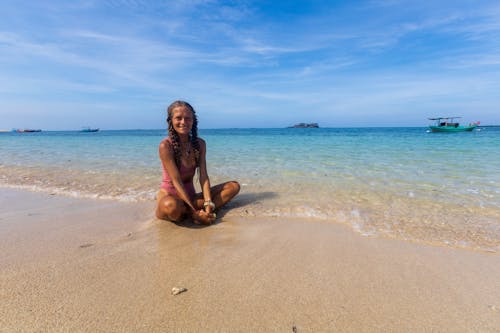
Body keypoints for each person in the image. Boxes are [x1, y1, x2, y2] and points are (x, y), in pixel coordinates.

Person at [156, 100, 240, 225]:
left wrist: (208, 203)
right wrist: (194, 211)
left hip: (191, 198)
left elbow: (203, 177)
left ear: (193, 120)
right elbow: (176, 182)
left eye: (188, 118)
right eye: (178, 118)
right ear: (171, 121)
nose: (183, 122)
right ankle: (193, 214)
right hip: (170, 199)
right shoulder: (166, 146)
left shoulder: (200, 144)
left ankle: (203, 213)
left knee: (233, 186)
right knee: (171, 206)